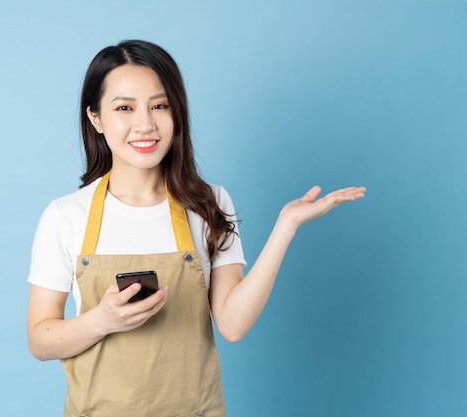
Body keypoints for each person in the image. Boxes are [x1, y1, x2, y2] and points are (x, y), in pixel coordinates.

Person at [26, 39, 366, 417]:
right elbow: (40, 339)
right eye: (125, 107)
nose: (145, 124)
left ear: (177, 112)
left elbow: (233, 325)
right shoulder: (65, 215)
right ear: (96, 119)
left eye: (160, 105)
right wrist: (101, 320)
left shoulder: (209, 204)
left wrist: (286, 226)